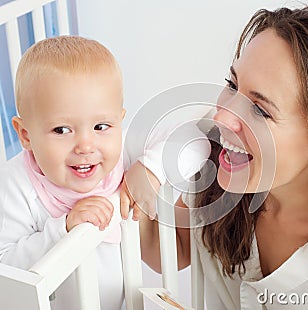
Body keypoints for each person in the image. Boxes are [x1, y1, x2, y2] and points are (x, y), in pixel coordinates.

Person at [123, 6, 308, 309]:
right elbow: (170, 248)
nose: (223, 116)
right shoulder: (220, 166)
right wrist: (127, 180)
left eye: (260, 110)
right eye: (232, 85)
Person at [0, 35, 209, 310]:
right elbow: (7, 273)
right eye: (62, 130)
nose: (86, 146)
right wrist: (63, 229)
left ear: (119, 120)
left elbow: (197, 139)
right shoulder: (14, 185)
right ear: (25, 135)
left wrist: (151, 169)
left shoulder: (124, 150)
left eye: (101, 126)